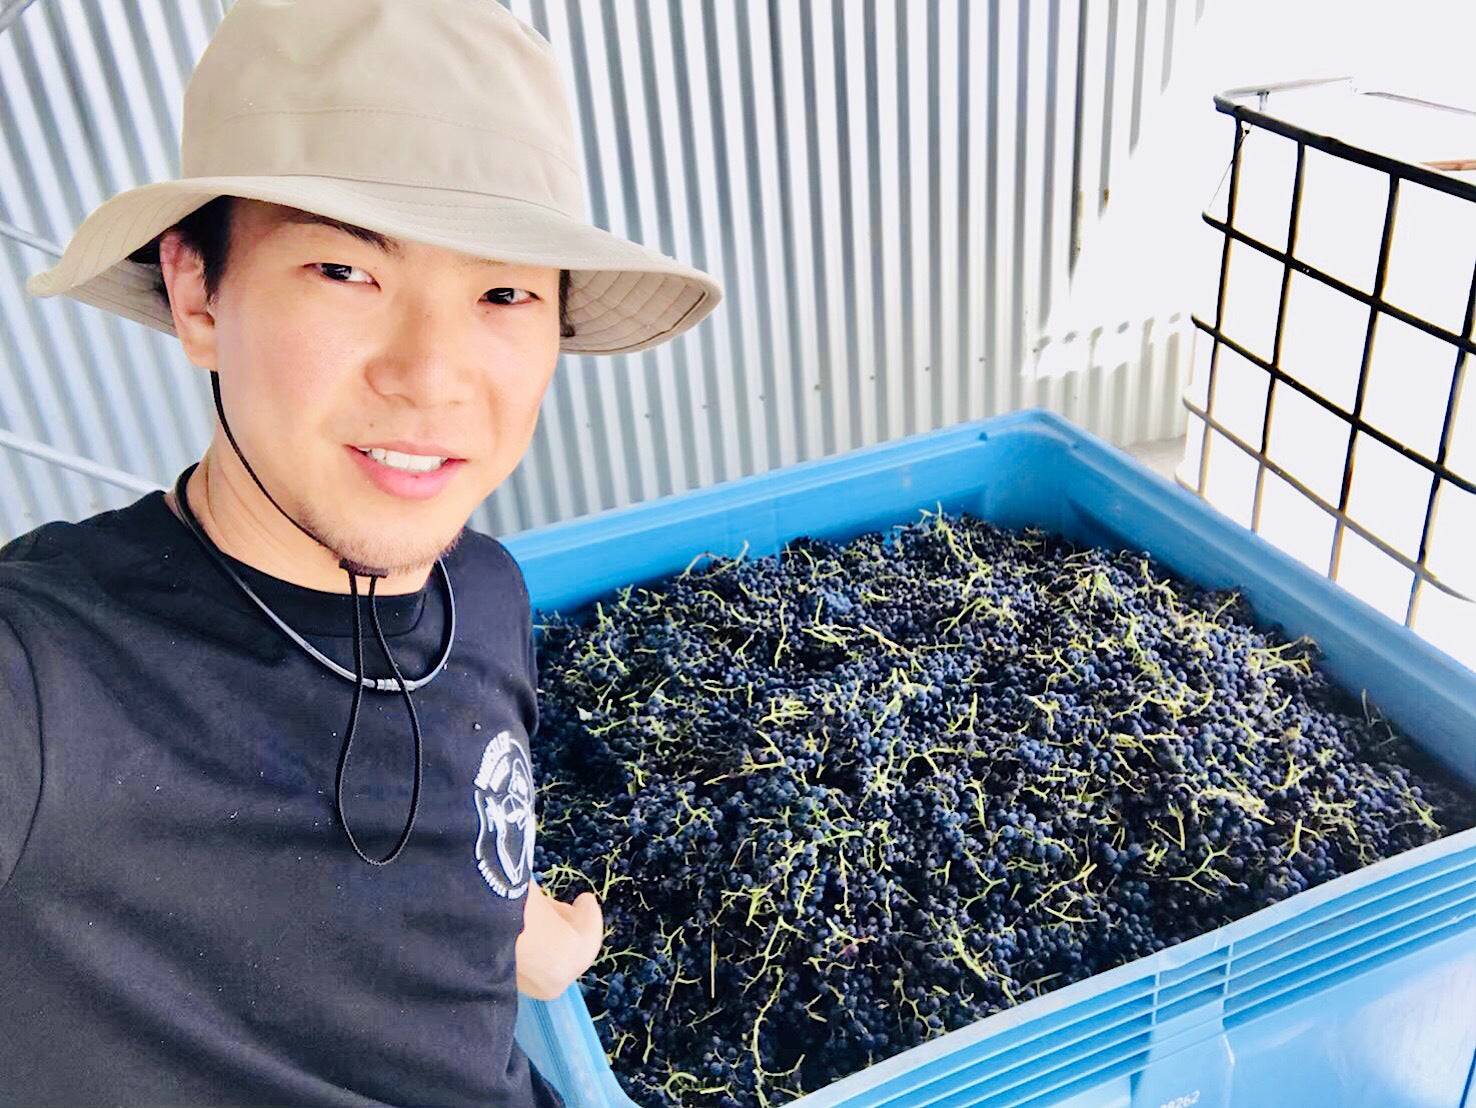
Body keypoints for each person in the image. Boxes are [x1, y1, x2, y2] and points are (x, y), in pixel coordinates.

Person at [0, 1, 721, 1104]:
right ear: (197, 292)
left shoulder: (486, 591)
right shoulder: (46, 681)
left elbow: (435, 842)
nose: (430, 376)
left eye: (504, 291)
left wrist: (515, 927)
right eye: (345, 270)